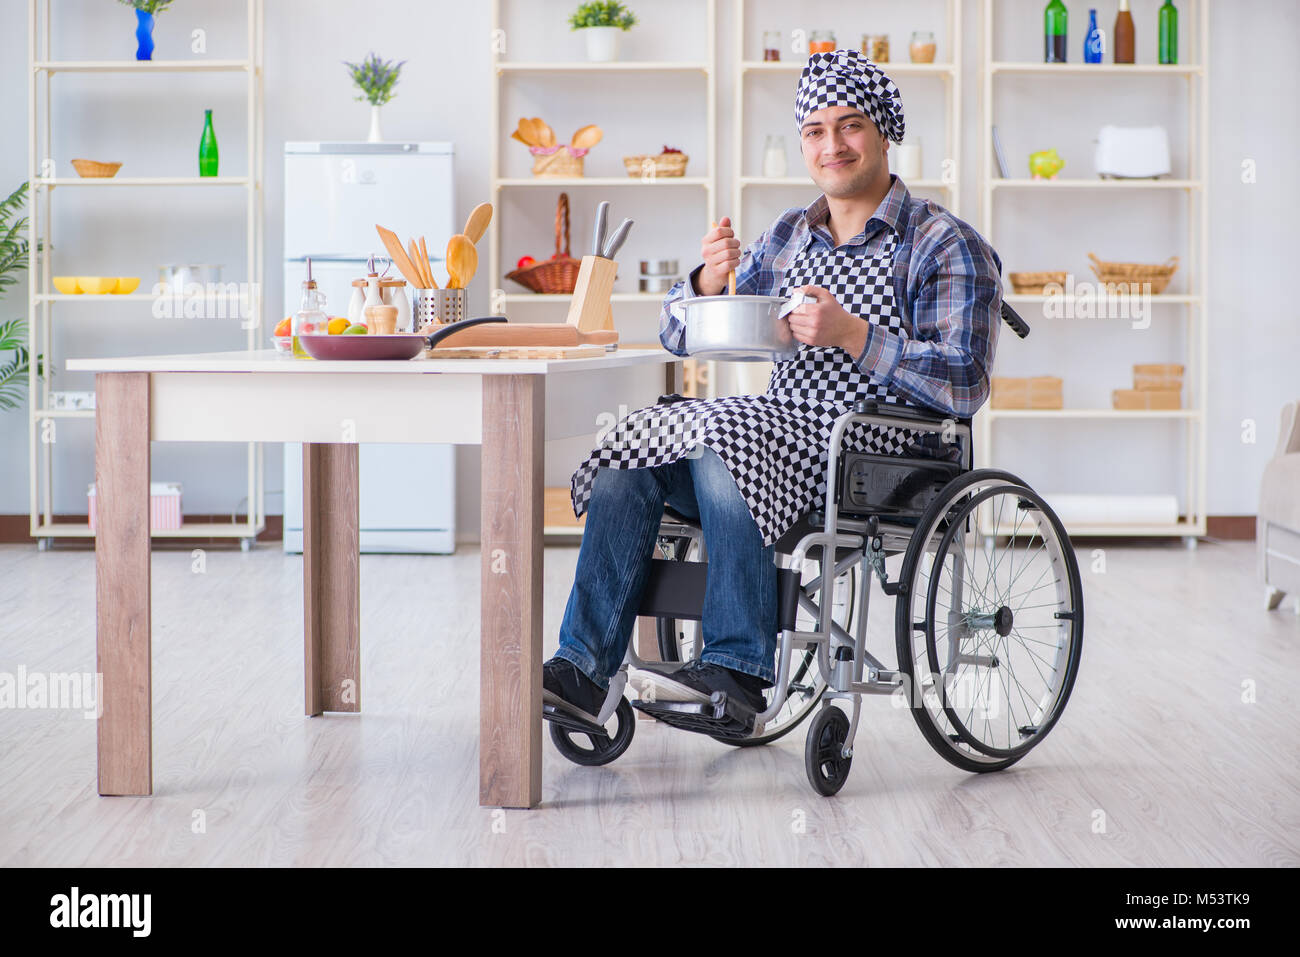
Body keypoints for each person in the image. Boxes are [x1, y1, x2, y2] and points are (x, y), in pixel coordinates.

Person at [542, 50, 1004, 728]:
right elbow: (679, 335)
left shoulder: (941, 243)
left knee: (727, 432)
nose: (832, 145)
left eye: (849, 126)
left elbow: (965, 382)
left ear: (882, 133)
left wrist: (854, 334)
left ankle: (738, 667)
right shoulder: (789, 237)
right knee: (633, 448)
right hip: (776, 440)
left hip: (882, 456)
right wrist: (704, 284)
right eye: (814, 131)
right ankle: (584, 670)